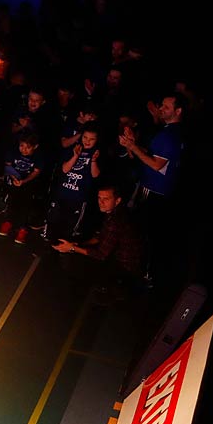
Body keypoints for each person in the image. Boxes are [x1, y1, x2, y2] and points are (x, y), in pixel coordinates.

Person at [120, 93, 183, 284]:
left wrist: (132, 145)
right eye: (161, 106)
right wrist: (133, 145)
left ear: (178, 111)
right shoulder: (165, 131)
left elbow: (156, 164)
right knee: (142, 232)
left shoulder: (171, 135)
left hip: (155, 192)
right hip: (150, 188)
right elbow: (149, 157)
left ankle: (145, 274)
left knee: (146, 234)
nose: (161, 109)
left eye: (166, 107)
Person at [53, 185, 145, 302]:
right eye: (99, 198)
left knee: (76, 262)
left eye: (106, 199)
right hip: (117, 257)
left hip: (124, 267)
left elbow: (101, 254)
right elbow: (101, 236)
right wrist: (78, 244)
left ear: (117, 200)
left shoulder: (117, 221)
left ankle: (104, 290)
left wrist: (72, 248)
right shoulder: (114, 213)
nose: (101, 202)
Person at [44, 126, 102, 242]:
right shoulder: (74, 149)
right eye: (85, 137)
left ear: (97, 140)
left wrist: (94, 160)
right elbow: (65, 169)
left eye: (91, 139)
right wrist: (75, 156)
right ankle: (49, 240)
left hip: (78, 198)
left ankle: (65, 246)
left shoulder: (96, 153)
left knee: (70, 226)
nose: (87, 141)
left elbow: (95, 175)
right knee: (53, 219)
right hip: (62, 193)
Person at [0, 134, 45, 243]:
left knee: (25, 206)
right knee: (12, 202)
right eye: (22, 146)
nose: (24, 150)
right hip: (14, 181)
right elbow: (8, 166)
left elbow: (36, 172)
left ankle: (23, 229)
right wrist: (14, 178)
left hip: (28, 184)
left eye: (28, 147)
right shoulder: (13, 152)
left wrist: (24, 181)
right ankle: (8, 222)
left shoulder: (38, 157)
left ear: (35, 147)